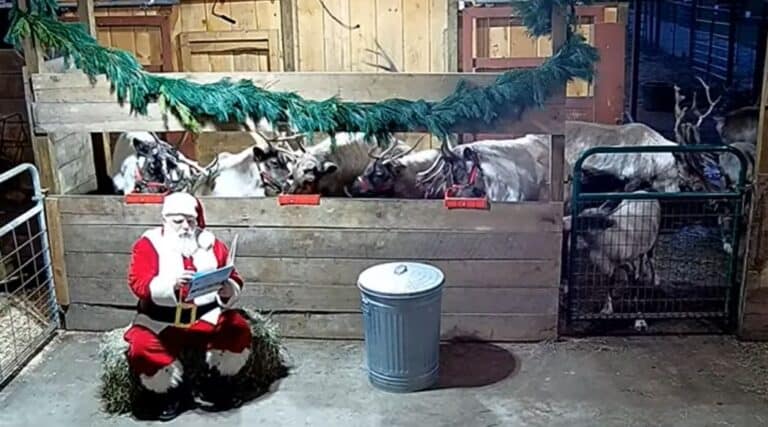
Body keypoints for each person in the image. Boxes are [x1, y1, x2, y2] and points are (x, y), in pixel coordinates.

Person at [123, 192, 251, 421]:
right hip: (162, 319)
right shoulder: (148, 244)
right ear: (165, 220)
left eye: (190, 221)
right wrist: (170, 286)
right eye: (178, 221)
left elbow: (234, 276)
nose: (185, 227)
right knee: (141, 345)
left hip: (206, 315)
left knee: (237, 329)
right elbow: (138, 282)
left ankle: (216, 383)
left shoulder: (211, 243)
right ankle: (172, 392)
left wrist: (229, 288)